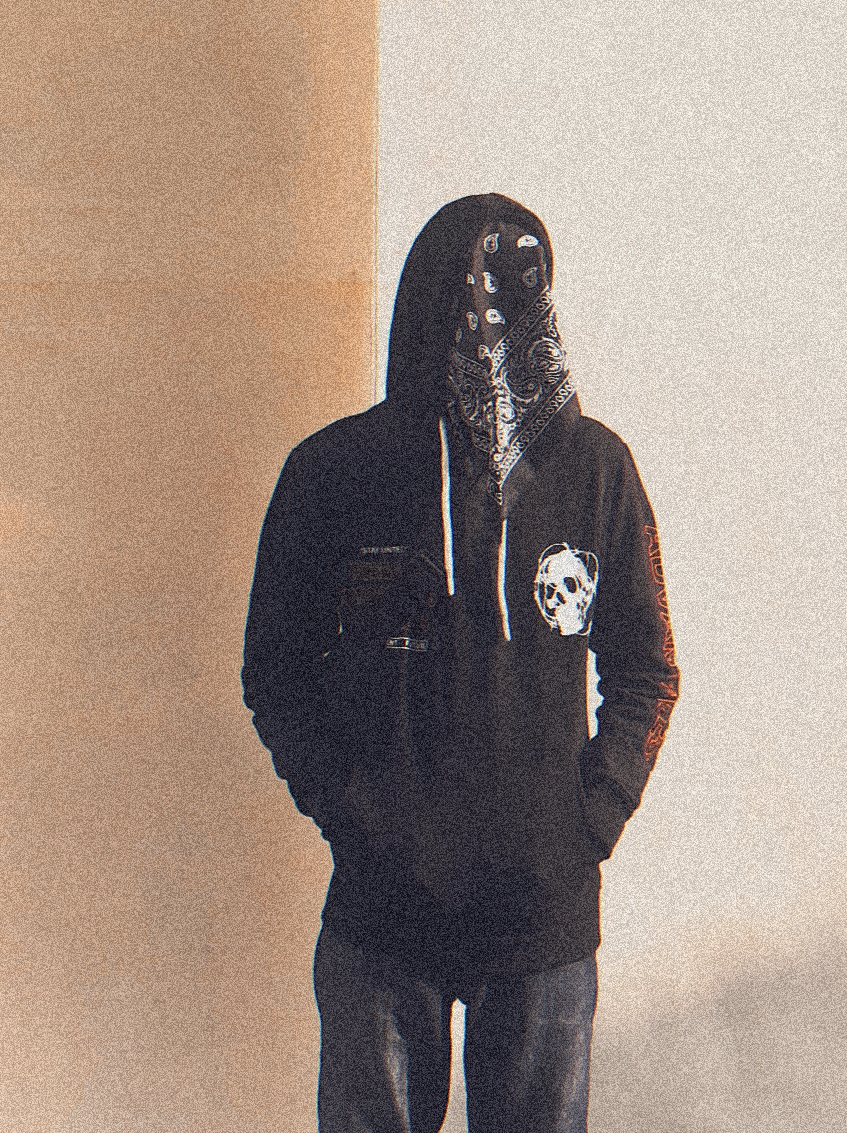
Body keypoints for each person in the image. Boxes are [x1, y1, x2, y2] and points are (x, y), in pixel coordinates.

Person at [241, 193, 680, 1133]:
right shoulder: (336, 472)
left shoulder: (595, 470)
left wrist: (591, 817)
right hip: (383, 912)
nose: (494, 322)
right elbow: (274, 667)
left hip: (543, 921)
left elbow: (649, 666)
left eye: (522, 291)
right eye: (471, 292)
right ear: (425, 304)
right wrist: (345, 804)